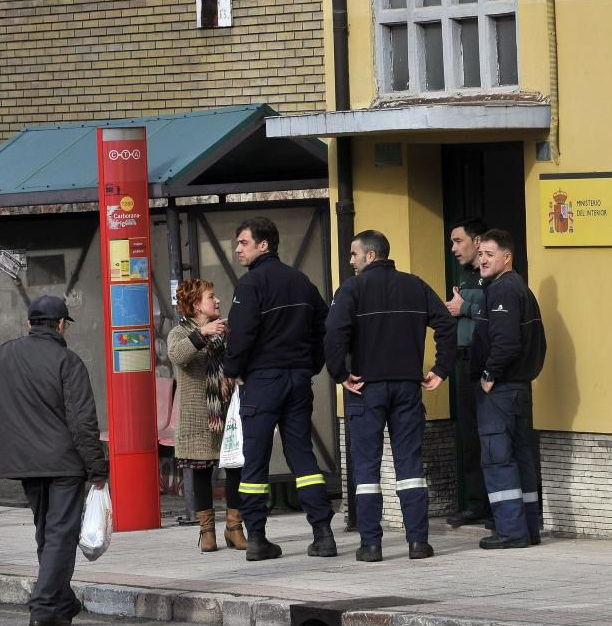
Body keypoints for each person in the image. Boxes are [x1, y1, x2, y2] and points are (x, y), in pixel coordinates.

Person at [0, 295, 108, 626]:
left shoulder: (4, 354)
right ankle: (44, 606)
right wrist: (97, 467)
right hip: (64, 463)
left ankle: (62, 602)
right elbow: (81, 422)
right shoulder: (68, 361)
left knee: (48, 532)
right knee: (61, 534)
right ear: (61, 325)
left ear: (30, 324)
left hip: (24, 463)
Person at [324, 230, 457, 562]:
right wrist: (441, 369)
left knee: (367, 469)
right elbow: (446, 324)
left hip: (366, 388)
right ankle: (418, 543)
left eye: (354, 254)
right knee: (410, 465)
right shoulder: (415, 286)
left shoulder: (351, 290)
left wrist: (340, 374)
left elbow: (334, 334)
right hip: (407, 387)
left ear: (371, 256)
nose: (350, 260)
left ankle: (371, 545)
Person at [222, 216, 336, 562]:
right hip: (298, 379)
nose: (237, 249)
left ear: (263, 245)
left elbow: (241, 332)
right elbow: (324, 326)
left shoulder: (251, 284)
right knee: (302, 455)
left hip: (262, 382)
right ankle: (323, 535)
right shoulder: (302, 282)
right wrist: (311, 364)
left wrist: (233, 370)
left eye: (243, 242)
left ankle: (257, 539)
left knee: (254, 462)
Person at [470, 229, 546, 550]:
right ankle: (528, 528)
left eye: (489, 254)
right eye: (481, 254)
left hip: (500, 389)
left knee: (498, 458)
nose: (482, 260)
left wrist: (489, 373)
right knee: (519, 455)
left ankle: (511, 531)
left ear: (507, 257)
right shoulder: (520, 288)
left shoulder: (502, 291)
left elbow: (506, 342)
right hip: (518, 387)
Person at [167, 279, 246, 553]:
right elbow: (179, 356)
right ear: (196, 304)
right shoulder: (178, 333)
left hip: (226, 413)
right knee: (201, 471)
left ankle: (234, 527)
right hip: (197, 416)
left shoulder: (225, 332)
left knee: (236, 466)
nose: (218, 301)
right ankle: (207, 531)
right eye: (211, 296)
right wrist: (203, 334)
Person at [444, 218, 493, 529]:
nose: (453, 249)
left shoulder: (492, 274)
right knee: (469, 436)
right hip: (462, 362)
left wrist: (464, 308)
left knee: (491, 435)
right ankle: (476, 504)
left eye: (458, 241)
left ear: (476, 242)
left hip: (485, 363)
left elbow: (493, 313)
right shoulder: (464, 275)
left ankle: (496, 505)